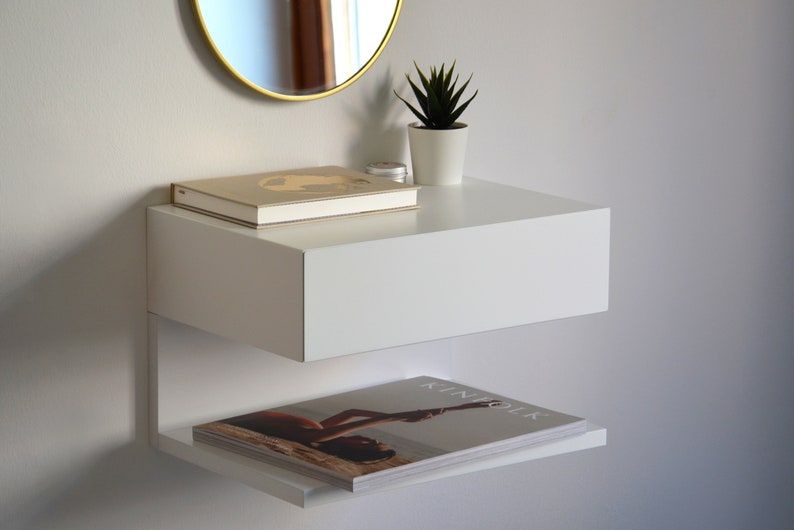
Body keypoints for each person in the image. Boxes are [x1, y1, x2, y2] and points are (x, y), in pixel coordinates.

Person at [224, 400, 500, 463]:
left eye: (371, 444)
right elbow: (352, 413)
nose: (371, 438)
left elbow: (362, 423)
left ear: (354, 448)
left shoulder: (316, 439)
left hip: (237, 410)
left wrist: (401, 419)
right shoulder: (321, 432)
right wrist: (455, 408)